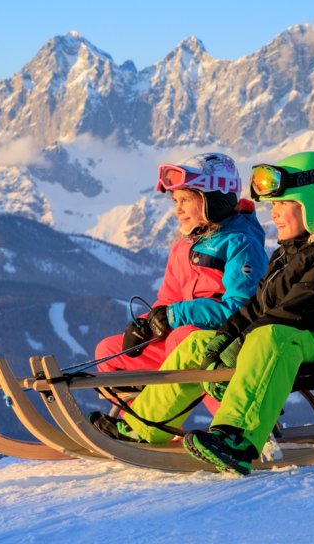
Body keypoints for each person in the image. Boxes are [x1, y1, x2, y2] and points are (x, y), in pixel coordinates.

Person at [91, 151, 314, 475]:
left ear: (313, 204)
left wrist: (238, 344)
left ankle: (236, 438)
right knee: (195, 345)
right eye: (273, 206)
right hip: (286, 338)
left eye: (283, 204)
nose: (275, 215)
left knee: (271, 336)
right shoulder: (291, 254)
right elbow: (256, 306)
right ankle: (142, 428)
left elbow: (291, 313)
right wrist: (225, 338)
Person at [94, 152, 268, 391]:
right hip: (181, 343)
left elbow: (241, 309)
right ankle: (135, 423)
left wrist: (176, 315)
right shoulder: (183, 246)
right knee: (110, 351)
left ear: (214, 199)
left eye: (185, 200)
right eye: (176, 201)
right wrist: (147, 324)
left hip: (225, 344)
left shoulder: (240, 244)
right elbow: (169, 300)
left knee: (182, 338)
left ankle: (227, 423)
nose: (178, 210)